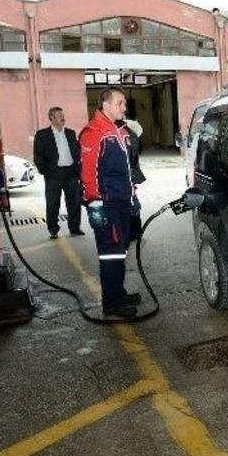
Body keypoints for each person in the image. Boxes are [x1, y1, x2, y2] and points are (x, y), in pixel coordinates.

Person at [80, 87, 141, 317]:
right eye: (120, 103)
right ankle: (112, 302)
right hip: (106, 204)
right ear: (105, 105)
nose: (124, 108)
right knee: (111, 252)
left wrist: (133, 196)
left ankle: (118, 292)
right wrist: (94, 202)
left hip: (122, 201)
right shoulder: (94, 133)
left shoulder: (120, 131)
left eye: (124, 103)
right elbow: (88, 172)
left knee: (120, 249)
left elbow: (127, 169)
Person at [33, 107, 84, 239]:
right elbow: (38, 156)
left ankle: (75, 228)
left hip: (71, 173)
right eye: (59, 115)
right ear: (52, 118)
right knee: (53, 203)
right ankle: (53, 229)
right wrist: (45, 171)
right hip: (53, 175)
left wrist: (78, 168)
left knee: (74, 203)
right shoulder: (42, 135)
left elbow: (77, 152)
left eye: (63, 114)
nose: (63, 117)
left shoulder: (71, 133)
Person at [123, 118, 146, 244]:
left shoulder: (128, 135)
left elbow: (132, 157)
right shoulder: (130, 135)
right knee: (133, 204)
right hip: (129, 175)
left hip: (127, 175)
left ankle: (133, 233)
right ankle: (135, 232)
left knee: (132, 204)